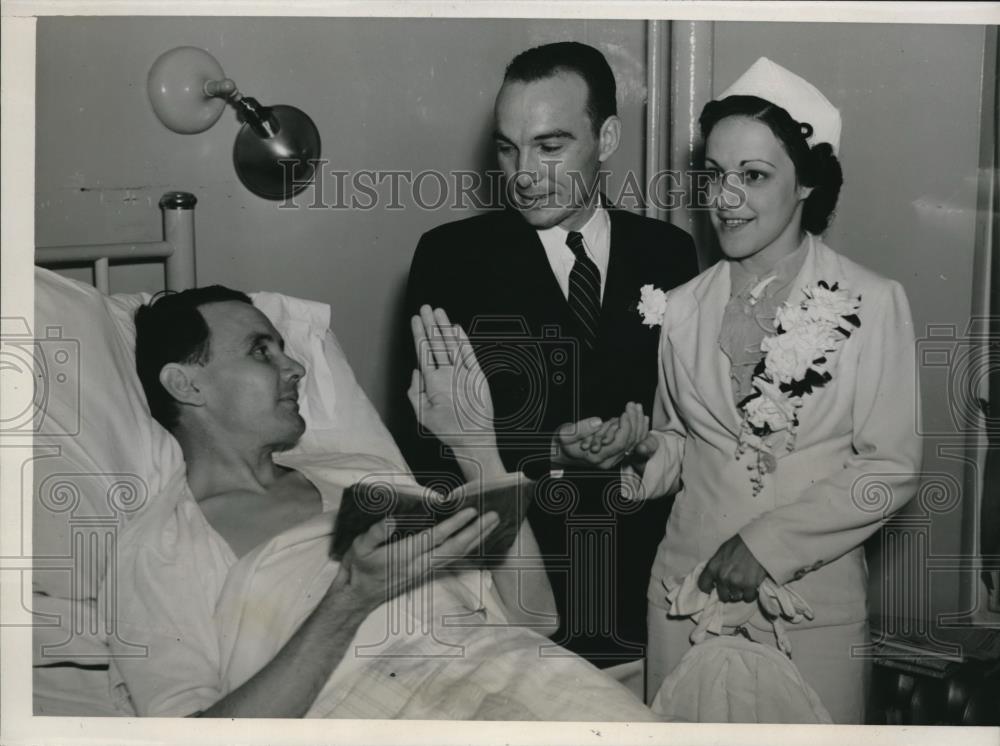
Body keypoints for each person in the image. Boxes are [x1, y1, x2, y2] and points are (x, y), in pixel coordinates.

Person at [107, 287, 656, 720]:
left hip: (530, 681)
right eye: (260, 351)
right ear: (186, 384)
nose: (294, 367)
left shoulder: (361, 482)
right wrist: (349, 599)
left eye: (283, 347)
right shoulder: (162, 545)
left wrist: (478, 448)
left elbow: (536, 618)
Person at [585, 57, 923, 723]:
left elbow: (891, 467)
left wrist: (767, 546)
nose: (726, 199)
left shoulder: (874, 303)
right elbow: (682, 445)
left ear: (806, 184)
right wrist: (634, 449)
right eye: (714, 175)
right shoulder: (680, 306)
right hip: (683, 599)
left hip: (809, 614)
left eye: (754, 176)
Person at [403, 40, 699, 669]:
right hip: (517, 588)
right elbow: (426, 446)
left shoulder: (668, 253)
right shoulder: (451, 259)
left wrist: (649, 444)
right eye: (508, 148)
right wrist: (553, 450)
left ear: (608, 136)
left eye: (550, 145)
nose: (525, 174)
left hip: (656, 585)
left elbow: (693, 420)